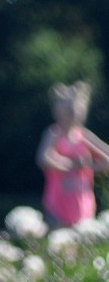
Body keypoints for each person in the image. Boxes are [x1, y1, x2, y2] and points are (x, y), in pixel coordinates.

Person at [37, 81, 109, 227]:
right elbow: (43, 158)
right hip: (58, 203)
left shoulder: (84, 136)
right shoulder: (54, 134)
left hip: (82, 200)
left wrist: (89, 166)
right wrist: (70, 165)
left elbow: (106, 158)